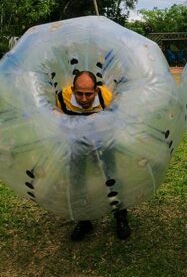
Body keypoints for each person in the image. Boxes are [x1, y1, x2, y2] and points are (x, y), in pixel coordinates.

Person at [55, 70, 131, 242]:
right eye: (79, 94)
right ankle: (84, 220)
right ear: (73, 90)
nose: (83, 99)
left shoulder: (106, 97)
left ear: (96, 90)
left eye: (88, 94)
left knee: (112, 178)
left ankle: (120, 217)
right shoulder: (63, 98)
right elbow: (59, 122)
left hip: (103, 141)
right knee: (78, 182)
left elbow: (115, 124)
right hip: (77, 144)